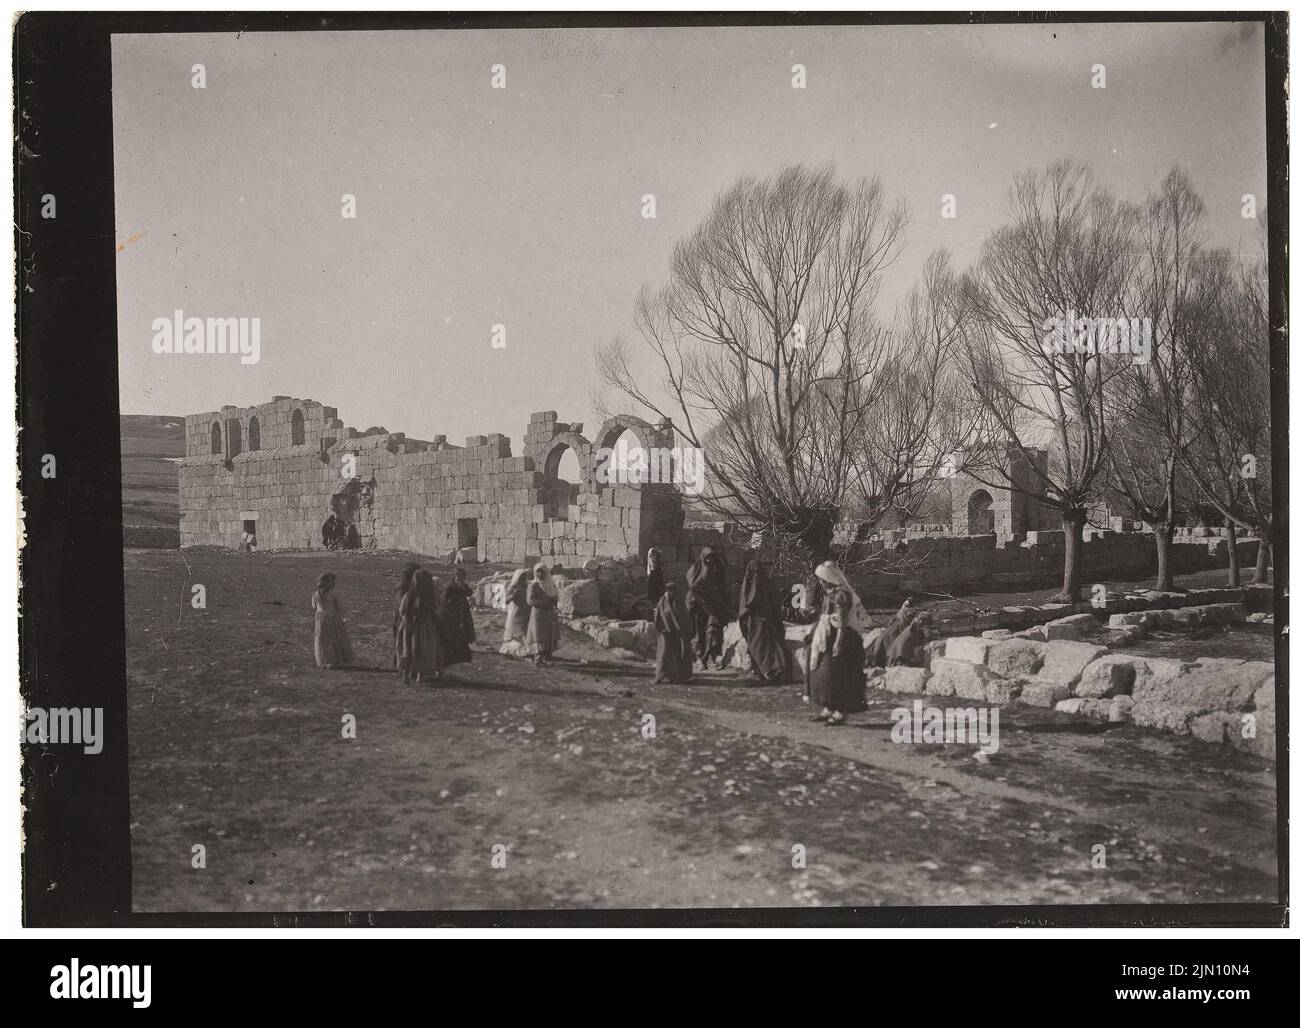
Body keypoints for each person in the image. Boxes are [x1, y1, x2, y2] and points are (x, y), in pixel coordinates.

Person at [807, 587, 866, 725]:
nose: (821, 582)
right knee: (823, 674)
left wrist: (838, 641)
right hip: (827, 635)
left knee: (837, 676)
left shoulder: (841, 594)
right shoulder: (829, 593)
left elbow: (842, 620)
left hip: (840, 638)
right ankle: (828, 708)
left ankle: (840, 711)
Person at [738, 555, 793, 683]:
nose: (756, 574)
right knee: (756, 645)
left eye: (758, 572)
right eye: (754, 572)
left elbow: (772, 601)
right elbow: (747, 602)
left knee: (768, 646)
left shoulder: (764, 582)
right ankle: (762, 670)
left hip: (766, 621)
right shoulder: (750, 583)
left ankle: (770, 671)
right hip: (754, 621)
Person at [686, 547, 732, 670]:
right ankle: (701, 660)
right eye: (707, 558)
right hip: (697, 607)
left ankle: (711, 657)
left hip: (712, 607)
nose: (709, 560)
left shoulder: (717, 570)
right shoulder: (695, 570)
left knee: (712, 632)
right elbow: (694, 586)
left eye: (712, 558)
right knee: (698, 635)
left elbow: (721, 587)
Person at [397, 569, 444, 684]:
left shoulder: (409, 596)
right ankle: (419, 674)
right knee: (422, 650)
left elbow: (402, 610)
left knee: (408, 649)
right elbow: (435, 611)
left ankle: (406, 674)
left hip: (409, 625)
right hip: (424, 627)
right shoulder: (428, 597)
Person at [652, 582, 694, 684]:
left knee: (678, 655)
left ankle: (678, 677)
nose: (668, 593)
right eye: (667, 591)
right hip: (665, 633)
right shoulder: (662, 603)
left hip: (678, 634)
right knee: (663, 655)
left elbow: (685, 618)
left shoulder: (679, 603)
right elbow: (657, 617)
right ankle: (660, 676)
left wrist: (686, 631)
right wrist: (662, 628)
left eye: (671, 591)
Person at [311, 572, 354, 670]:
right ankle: (336, 659)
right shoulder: (334, 594)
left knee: (322, 639)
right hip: (333, 617)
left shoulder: (315, 594)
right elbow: (339, 607)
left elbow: (314, 608)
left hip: (320, 618)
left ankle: (324, 659)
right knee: (335, 637)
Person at [441, 566, 476, 671]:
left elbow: (470, 592)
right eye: (459, 576)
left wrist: (463, 586)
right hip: (454, 610)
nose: (461, 578)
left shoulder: (462, 585)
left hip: (463, 609)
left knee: (465, 625)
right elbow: (446, 598)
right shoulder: (450, 586)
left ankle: (462, 642)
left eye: (462, 577)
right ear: (455, 576)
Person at [526, 562, 560, 665]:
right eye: (537, 572)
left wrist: (554, 601)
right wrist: (543, 603)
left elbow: (555, 597)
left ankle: (547, 654)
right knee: (538, 635)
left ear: (546, 572)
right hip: (538, 614)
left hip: (549, 614)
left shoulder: (550, 584)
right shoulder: (533, 586)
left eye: (542, 572)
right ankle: (538, 655)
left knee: (549, 634)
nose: (540, 574)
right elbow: (530, 601)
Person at [865, 599, 914, 669]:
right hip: (890, 634)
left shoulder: (905, 614)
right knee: (881, 645)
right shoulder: (902, 618)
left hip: (893, 633)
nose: (906, 605)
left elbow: (903, 620)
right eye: (905, 604)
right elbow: (893, 629)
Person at [392, 561, 421, 666]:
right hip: (406, 616)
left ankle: (399, 660)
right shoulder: (409, 588)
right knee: (408, 640)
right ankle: (406, 662)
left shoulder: (401, 585)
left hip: (400, 615)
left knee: (400, 640)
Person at [500, 568, 531, 656]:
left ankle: (523, 650)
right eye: (521, 578)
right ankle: (512, 650)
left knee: (524, 633)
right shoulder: (513, 587)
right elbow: (504, 600)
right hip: (515, 614)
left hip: (525, 614)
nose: (522, 580)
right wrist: (513, 596)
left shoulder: (526, 587)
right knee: (516, 633)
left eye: (524, 578)